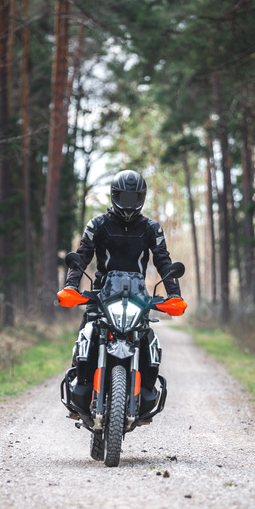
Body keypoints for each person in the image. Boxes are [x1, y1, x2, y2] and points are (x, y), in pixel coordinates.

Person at [56, 169, 187, 401]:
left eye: (134, 197)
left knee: (148, 341)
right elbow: (82, 256)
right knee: (86, 335)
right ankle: (81, 383)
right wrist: (71, 287)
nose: (129, 203)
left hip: (137, 298)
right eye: (124, 197)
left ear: (141, 198)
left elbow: (164, 262)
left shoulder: (151, 228)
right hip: (101, 296)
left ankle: (147, 389)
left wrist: (174, 295)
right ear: (114, 196)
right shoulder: (97, 224)